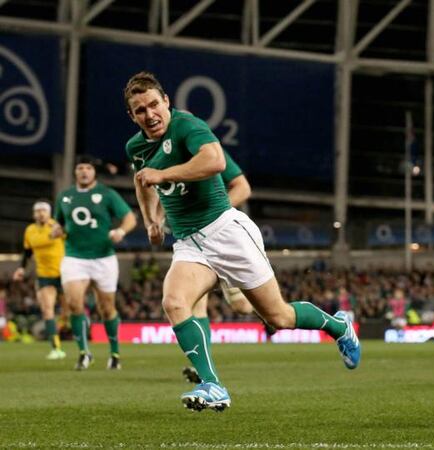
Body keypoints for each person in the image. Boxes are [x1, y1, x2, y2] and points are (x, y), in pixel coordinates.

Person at [124, 71, 360, 412]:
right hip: (190, 242)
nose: (150, 114)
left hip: (226, 231)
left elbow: (215, 161)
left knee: (277, 317)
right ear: (132, 116)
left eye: (154, 105)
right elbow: (140, 181)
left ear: (166, 102)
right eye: (140, 110)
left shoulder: (188, 125)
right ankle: (212, 384)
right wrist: (151, 221)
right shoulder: (136, 147)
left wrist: (163, 174)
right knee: (175, 302)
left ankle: (339, 326)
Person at [182, 150, 262, 384]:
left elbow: (243, 188)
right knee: (193, 304)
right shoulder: (159, 156)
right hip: (192, 242)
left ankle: (267, 309)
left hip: (224, 237)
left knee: (242, 307)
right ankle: (202, 369)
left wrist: (211, 215)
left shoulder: (207, 149)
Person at [53, 155, 137, 370]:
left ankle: (115, 353)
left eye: (87, 168)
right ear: (75, 172)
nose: (83, 171)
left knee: (107, 308)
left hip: (103, 257)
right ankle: (83, 352)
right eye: (80, 167)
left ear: (94, 172)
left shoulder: (107, 195)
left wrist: (120, 230)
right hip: (74, 257)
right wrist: (57, 230)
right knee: (74, 304)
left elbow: (130, 218)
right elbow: (59, 223)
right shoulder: (65, 196)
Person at [13, 200, 67, 360]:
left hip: (64, 274)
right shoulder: (29, 230)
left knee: (67, 313)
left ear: (49, 213)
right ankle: (56, 348)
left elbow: (72, 241)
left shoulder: (57, 227)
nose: (41, 213)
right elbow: (27, 251)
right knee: (47, 310)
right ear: (34, 214)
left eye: (44, 210)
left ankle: (62, 329)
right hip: (44, 275)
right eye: (38, 211)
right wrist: (21, 268)